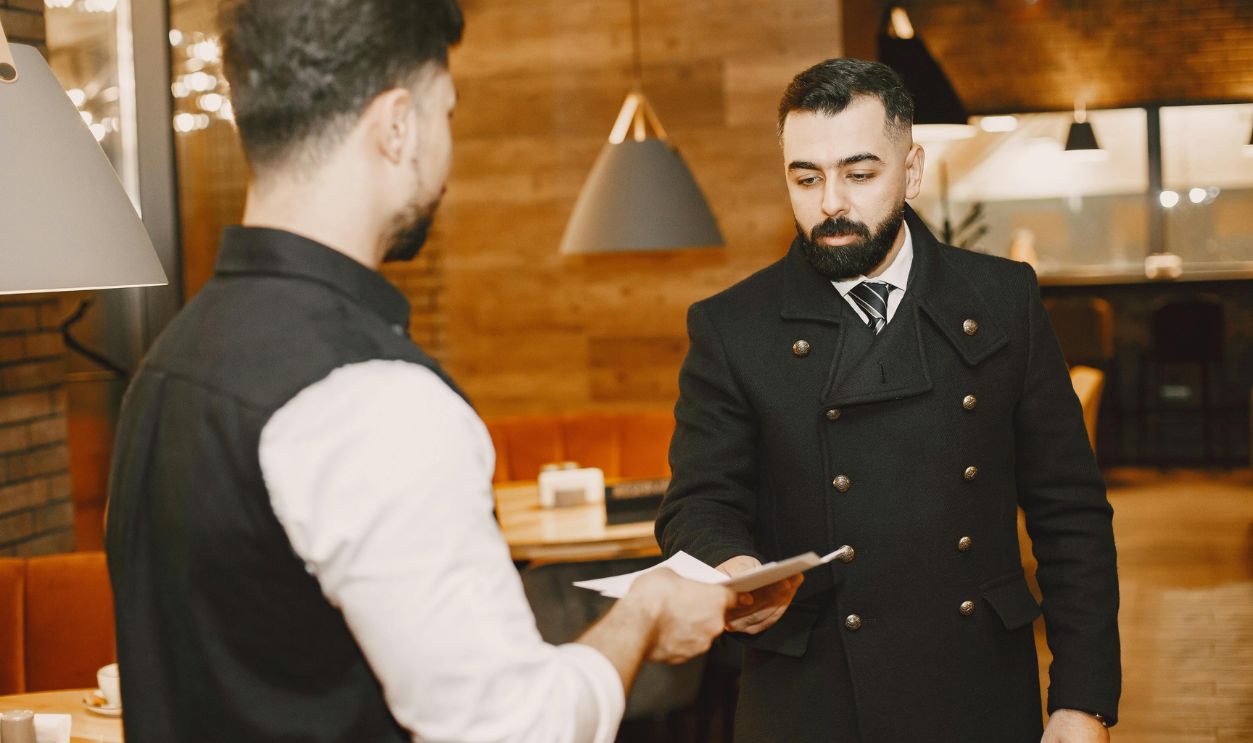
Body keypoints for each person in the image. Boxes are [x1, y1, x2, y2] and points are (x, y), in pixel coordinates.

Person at [103, 2, 734, 741]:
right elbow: (515, 729)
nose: (448, 144)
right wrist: (644, 614)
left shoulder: (166, 362)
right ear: (397, 126)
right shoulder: (371, 395)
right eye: (449, 112)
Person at [655, 58, 1120, 743]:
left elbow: (1069, 511)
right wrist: (735, 567)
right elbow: (698, 500)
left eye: (859, 172)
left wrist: (1082, 700)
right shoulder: (732, 326)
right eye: (805, 177)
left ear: (911, 169)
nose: (830, 202)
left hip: (977, 687)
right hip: (811, 694)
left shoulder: (1001, 299)